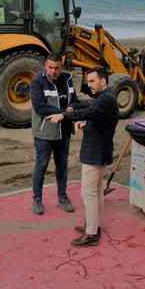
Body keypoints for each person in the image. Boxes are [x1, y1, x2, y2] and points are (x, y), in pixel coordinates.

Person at [48, 67, 119, 246]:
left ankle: (92, 233)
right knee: (96, 191)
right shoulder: (104, 98)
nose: (89, 85)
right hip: (100, 150)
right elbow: (94, 114)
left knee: (89, 193)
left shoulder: (105, 99)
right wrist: (84, 123)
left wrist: (64, 115)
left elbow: (89, 112)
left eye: (93, 81)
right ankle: (93, 226)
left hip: (95, 152)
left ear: (103, 81)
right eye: (88, 81)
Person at [29, 54, 79, 215]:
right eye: (50, 67)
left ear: (61, 66)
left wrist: (72, 108)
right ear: (45, 66)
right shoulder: (37, 82)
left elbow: (75, 101)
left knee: (62, 165)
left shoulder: (67, 79)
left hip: (64, 131)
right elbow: (40, 107)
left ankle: (62, 198)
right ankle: (37, 199)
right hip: (44, 133)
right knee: (42, 165)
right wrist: (65, 112)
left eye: (57, 68)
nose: (53, 71)